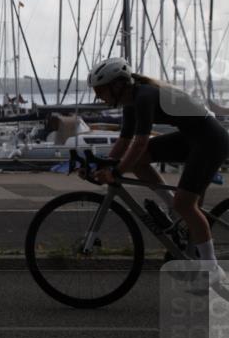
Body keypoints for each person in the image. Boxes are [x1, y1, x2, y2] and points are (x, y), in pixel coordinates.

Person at [87, 57, 228, 289]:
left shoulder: (144, 97)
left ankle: (212, 268)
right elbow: (124, 142)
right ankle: (172, 207)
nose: (98, 97)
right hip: (193, 138)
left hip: (211, 141)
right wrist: (103, 166)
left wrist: (117, 170)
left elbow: (140, 142)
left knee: (186, 205)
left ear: (118, 84)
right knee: (139, 163)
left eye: (100, 91)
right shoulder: (131, 102)